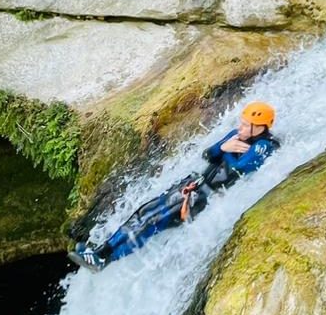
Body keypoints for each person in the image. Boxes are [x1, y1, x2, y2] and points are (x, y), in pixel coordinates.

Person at [71, 102, 280, 271]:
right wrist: (223, 147)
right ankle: (100, 250)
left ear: (259, 128)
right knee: (143, 212)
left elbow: (238, 171)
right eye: (242, 123)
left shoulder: (264, 146)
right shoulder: (236, 136)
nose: (240, 127)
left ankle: (106, 260)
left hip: (203, 198)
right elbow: (209, 154)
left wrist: (227, 152)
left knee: (152, 222)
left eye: (246, 125)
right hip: (192, 185)